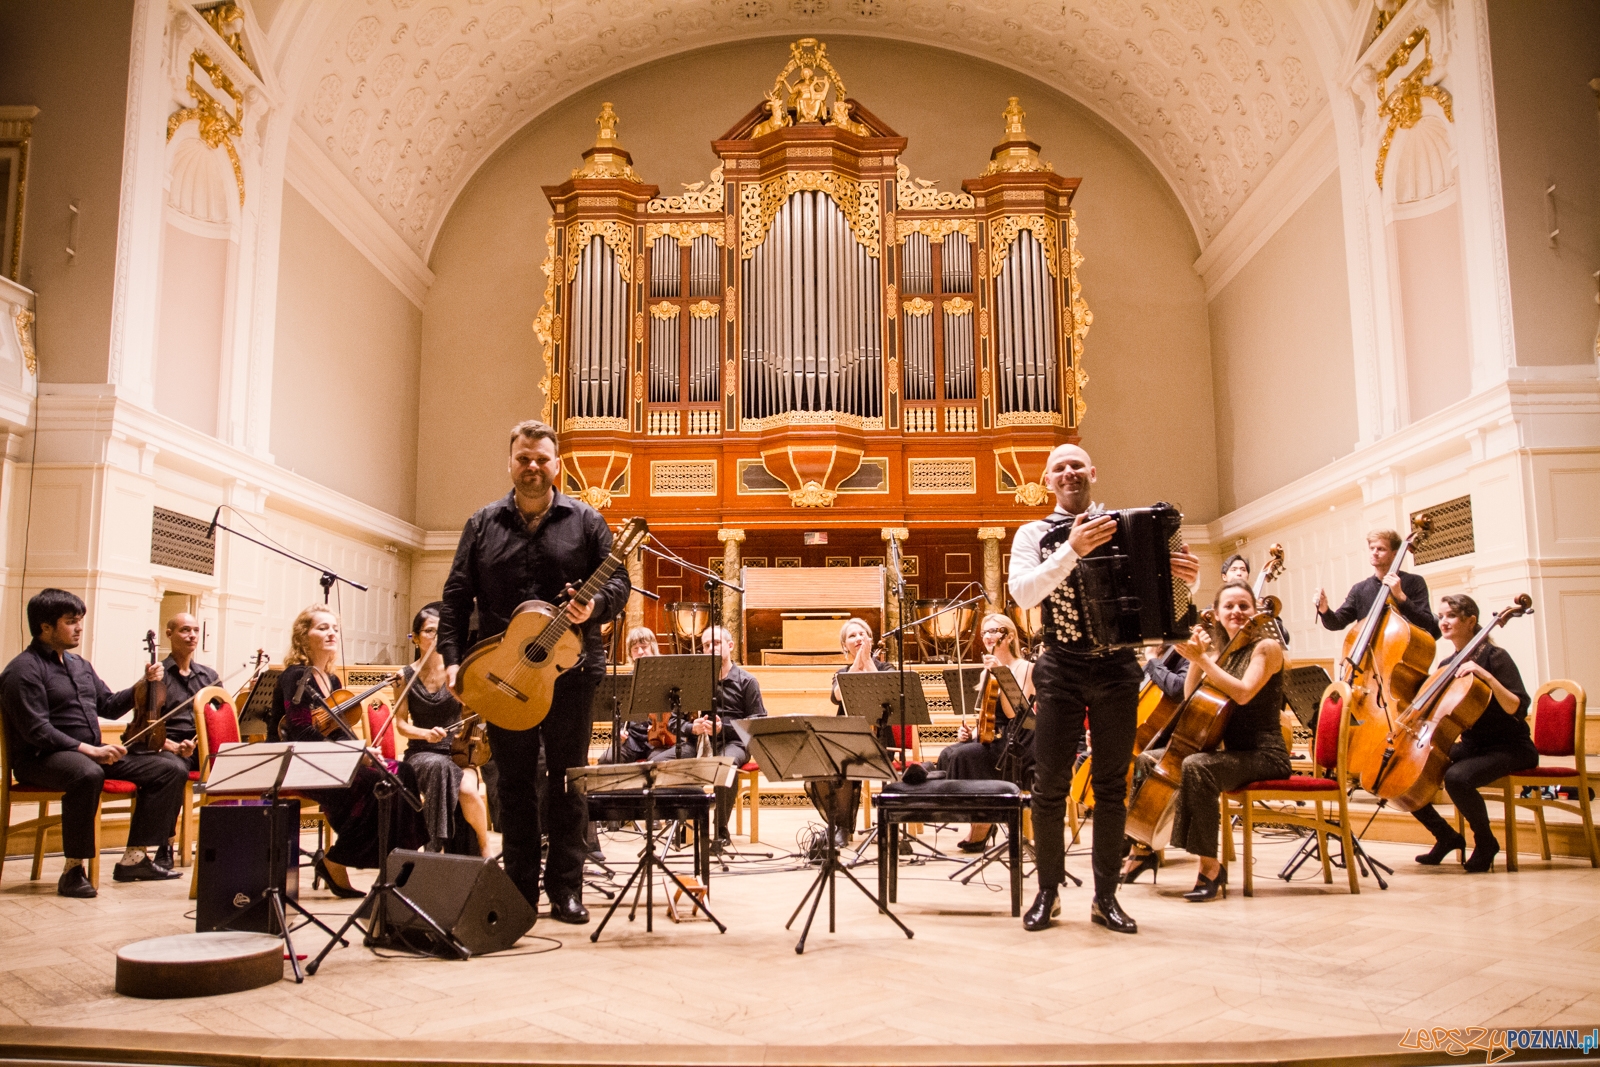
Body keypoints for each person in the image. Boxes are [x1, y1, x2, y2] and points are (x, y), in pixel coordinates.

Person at [439, 420, 630, 925]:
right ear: (511, 463)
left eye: (542, 459)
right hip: (503, 675)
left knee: (569, 781)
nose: (532, 467)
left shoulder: (587, 521)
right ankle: (520, 886)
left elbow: (620, 583)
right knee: (514, 783)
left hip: (571, 673)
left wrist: (595, 608)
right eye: (524, 458)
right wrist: (454, 658)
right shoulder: (482, 523)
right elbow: (456, 598)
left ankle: (566, 888)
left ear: (556, 464)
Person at [1008, 443, 1200, 934]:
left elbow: (1166, 602)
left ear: (1092, 471)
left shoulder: (1130, 525)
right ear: (1046, 481)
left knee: (1113, 787)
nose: (1069, 472)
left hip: (1117, 668)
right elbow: (1025, 593)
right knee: (1048, 786)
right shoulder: (1033, 533)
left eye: (1077, 465)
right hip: (1061, 665)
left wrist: (1186, 585)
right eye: (1059, 468)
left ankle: (1105, 898)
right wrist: (1072, 549)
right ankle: (1048, 893)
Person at [0, 589, 185, 895]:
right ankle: (73, 868)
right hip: (41, 758)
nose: (79, 627)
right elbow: (36, 730)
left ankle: (134, 858)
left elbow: (109, 706)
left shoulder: (80, 665)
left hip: (90, 755)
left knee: (169, 768)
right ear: (45, 627)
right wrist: (90, 750)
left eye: (80, 621)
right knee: (87, 774)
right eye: (71, 621)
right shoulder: (23, 670)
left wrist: (143, 683)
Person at [1121, 582, 1290, 900]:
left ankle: (1210, 867)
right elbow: (1188, 698)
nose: (1237, 612)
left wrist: (1206, 660)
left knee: (1196, 766)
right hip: (1231, 751)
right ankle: (1144, 845)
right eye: (1229, 606)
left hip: (1264, 753)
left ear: (1255, 611)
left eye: (1244, 606)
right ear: (1218, 612)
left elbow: (1242, 693)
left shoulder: (1266, 647)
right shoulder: (1221, 652)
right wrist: (1198, 657)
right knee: (1147, 759)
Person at [275, 605, 426, 897]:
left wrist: (366, 752)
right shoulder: (295, 677)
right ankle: (335, 859)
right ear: (303, 636)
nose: (331, 632)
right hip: (301, 762)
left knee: (401, 771)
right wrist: (357, 755)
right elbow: (302, 733)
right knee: (373, 784)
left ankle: (403, 859)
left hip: (329, 759)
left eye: (334, 628)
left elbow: (339, 730)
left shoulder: (330, 680)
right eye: (322, 627)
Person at [1408, 594, 1537, 873]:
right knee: (1410, 771)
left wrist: (1485, 676)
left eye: (1451, 616)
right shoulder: (1446, 666)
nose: (1443, 622)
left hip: (1511, 747)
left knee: (1457, 777)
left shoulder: (1494, 657)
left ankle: (1486, 842)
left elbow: (1518, 707)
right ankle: (1445, 836)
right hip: (1474, 745)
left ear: (1471, 621)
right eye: (1440, 616)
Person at [650, 625, 766, 846]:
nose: (710, 648)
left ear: (730, 646)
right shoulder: (694, 682)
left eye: (716, 643)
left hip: (733, 742)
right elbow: (674, 722)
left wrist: (725, 728)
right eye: (706, 645)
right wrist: (692, 728)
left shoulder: (747, 681)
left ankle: (720, 830)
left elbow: (758, 722)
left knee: (726, 765)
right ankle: (685, 820)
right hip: (699, 742)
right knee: (658, 763)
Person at [394, 604, 489, 856]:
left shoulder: (458, 672)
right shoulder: (404, 676)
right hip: (421, 754)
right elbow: (401, 725)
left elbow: (478, 716)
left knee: (467, 789)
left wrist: (470, 714)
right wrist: (424, 733)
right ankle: (435, 847)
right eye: (428, 631)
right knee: (438, 767)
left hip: (458, 752)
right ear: (415, 637)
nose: (435, 637)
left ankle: (483, 845)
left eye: (441, 631)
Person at [936, 613, 1035, 851]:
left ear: (1009, 636)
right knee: (949, 752)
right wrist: (970, 734)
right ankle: (977, 816)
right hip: (996, 738)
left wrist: (1002, 674)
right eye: (985, 632)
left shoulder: (1026, 668)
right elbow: (988, 718)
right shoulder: (985, 672)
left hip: (1019, 741)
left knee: (964, 756)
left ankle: (983, 822)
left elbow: (1014, 714)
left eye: (994, 630)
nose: (988, 636)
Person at [140, 612, 217, 868]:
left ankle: (225, 842)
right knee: (174, 769)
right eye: (185, 630)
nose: (192, 635)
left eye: (195, 630)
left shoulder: (208, 677)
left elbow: (219, 717)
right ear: (169, 634)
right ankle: (166, 843)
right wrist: (170, 746)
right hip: (168, 747)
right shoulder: (156, 676)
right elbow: (145, 724)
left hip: (201, 747)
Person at [806, 617, 887, 850]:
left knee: (848, 762)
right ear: (845, 646)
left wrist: (868, 662)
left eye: (862, 634)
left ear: (870, 639)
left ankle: (857, 825)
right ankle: (840, 825)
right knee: (822, 768)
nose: (858, 638)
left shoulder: (885, 669)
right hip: (846, 739)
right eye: (852, 636)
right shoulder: (841, 673)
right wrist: (855, 667)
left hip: (880, 739)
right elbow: (837, 696)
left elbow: (882, 691)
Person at [1315, 529, 1440, 639]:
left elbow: (1427, 624)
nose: (1375, 552)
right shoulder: (1360, 589)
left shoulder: (1414, 582)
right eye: (1372, 548)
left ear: (1395, 553)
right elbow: (1337, 623)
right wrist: (1324, 609)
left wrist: (1401, 597)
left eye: (1381, 549)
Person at [598, 627, 660, 765]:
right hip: (632, 741)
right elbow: (618, 715)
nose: (640, 652)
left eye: (644, 647)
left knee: (656, 763)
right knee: (606, 759)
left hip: (658, 740)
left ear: (653, 648)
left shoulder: (663, 677)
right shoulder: (626, 681)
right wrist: (619, 732)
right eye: (635, 648)